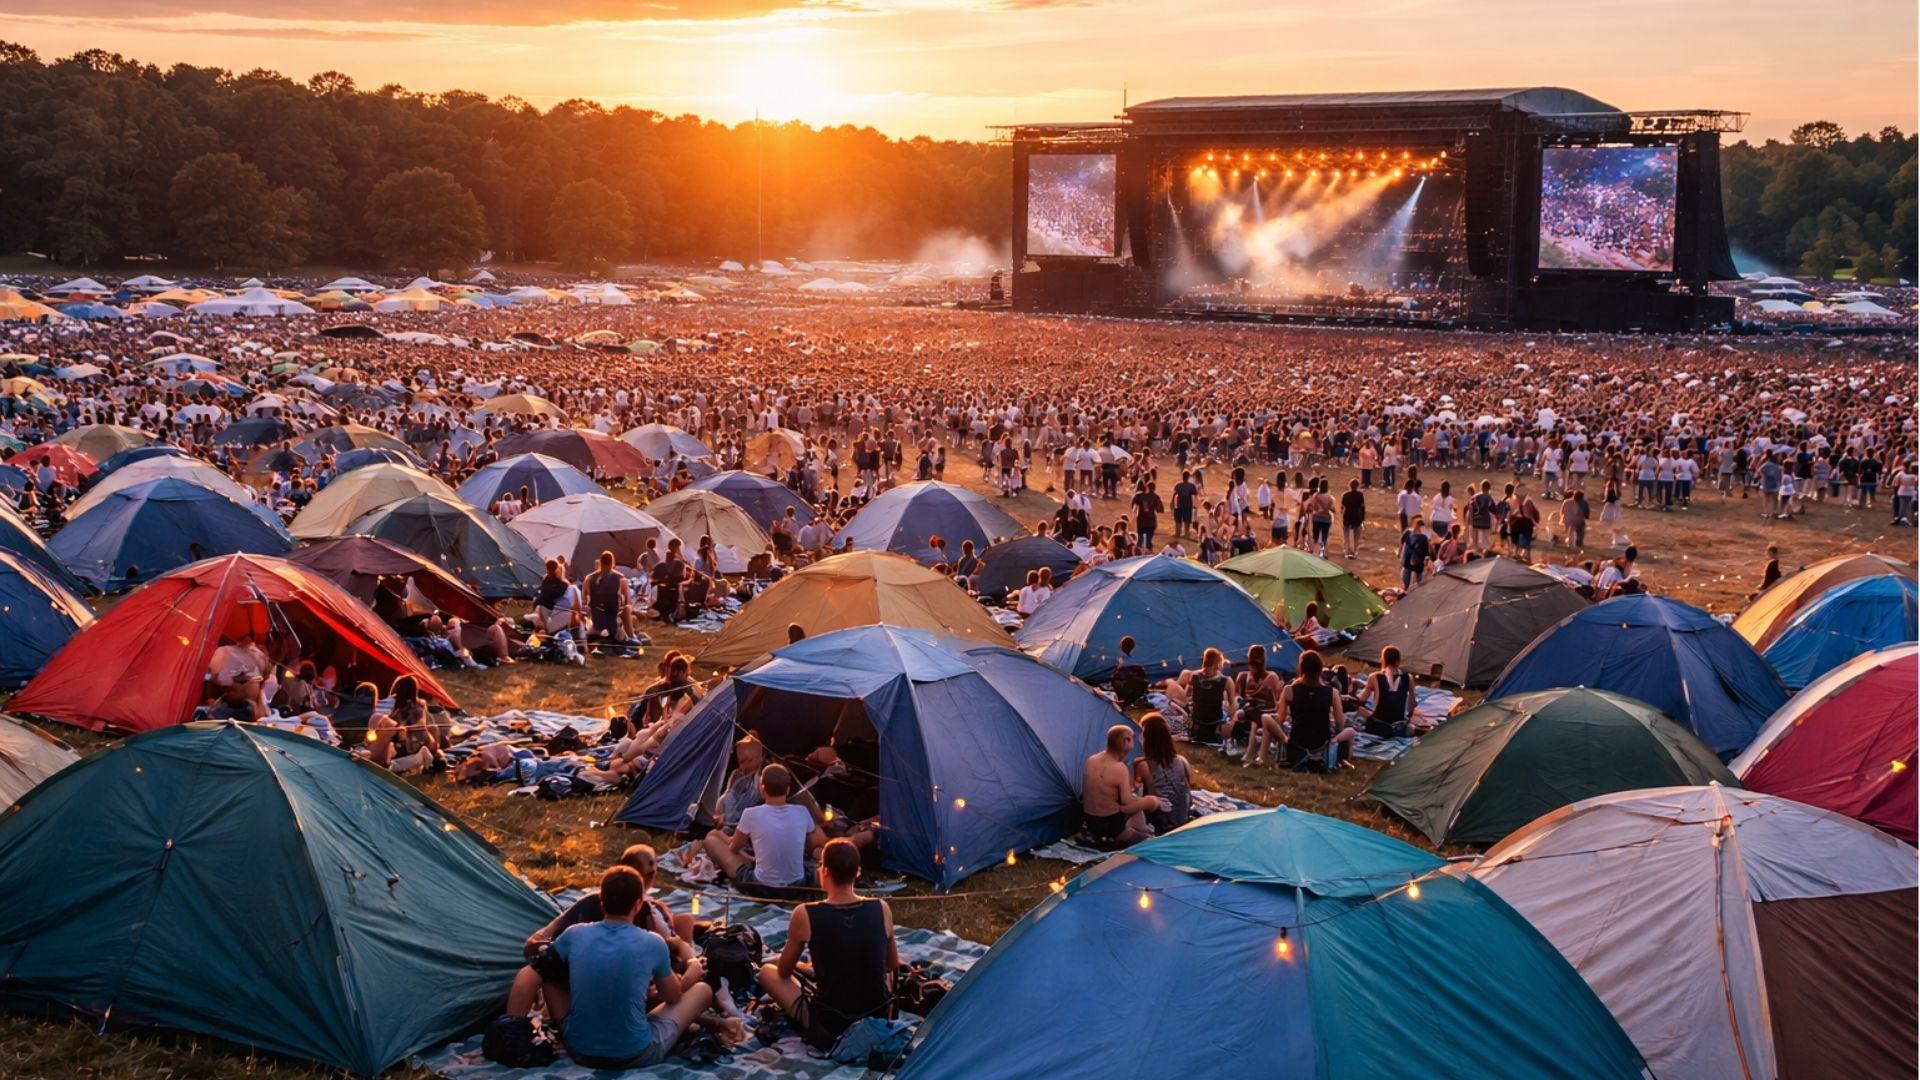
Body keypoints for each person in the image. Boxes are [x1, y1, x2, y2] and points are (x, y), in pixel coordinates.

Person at [514, 866, 715, 1070]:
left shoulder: (573, 935)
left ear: (602, 903)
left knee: (549, 976)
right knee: (702, 991)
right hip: (636, 1054)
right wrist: (693, 968)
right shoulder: (653, 943)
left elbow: (542, 965)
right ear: (638, 904)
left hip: (579, 1050)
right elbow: (673, 997)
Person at [757, 839, 899, 1052]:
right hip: (876, 1017)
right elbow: (892, 964)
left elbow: (784, 971)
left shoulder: (805, 913)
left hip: (831, 1027)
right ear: (857, 872)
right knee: (884, 974)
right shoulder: (882, 907)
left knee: (768, 972)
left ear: (825, 872)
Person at [707, 764, 825, 889]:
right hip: (797, 884)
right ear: (788, 790)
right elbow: (812, 844)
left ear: (762, 790)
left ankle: (753, 863)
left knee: (709, 840)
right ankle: (755, 862)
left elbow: (734, 848)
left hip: (761, 886)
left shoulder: (750, 813)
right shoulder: (802, 812)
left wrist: (718, 834)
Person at [1081, 725, 1163, 846]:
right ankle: (1137, 834)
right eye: (1132, 739)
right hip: (1110, 824)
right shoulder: (1120, 768)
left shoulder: (1092, 759)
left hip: (1089, 820)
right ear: (1126, 741)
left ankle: (1138, 830)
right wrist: (1152, 802)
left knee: (1136, 801)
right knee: (1151, 801)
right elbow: (1127, 802)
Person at [1280, 650, 1354, 768]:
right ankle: (1342, 760)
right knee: (1350, 730)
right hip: (1321, 743)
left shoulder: (1289, 690)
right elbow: (1340, 724)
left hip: (1297, 743)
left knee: (1271, 722)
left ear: (1301, 668)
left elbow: (1280, 720)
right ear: (1320, 669)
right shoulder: (1332, 693)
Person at [1132, 713, 1191, 835]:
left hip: (1162, 823)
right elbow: (1187, 793)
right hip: (1183, 818)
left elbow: (1151, 796)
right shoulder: (1182, 760)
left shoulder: (1144, 766)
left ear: (1147, 739)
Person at [1354, 646, 1427, 737]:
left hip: (1378, 722)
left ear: (1383, 659)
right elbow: (1412, 704)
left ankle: (1388, 729)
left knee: (1361, 710)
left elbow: (1361, 700)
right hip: (1399, 722)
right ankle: (1404, 729)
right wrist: (1408, 718)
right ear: (1398, 660)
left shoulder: (1374, 677)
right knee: (1402, 726)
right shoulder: (1408, 677)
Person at [1398, 514, 1431, 588]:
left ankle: (1407, 591)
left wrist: (1402, 558)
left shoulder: (1414, 536)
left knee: (1409, 581)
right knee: (1415, 581)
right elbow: (1426, 552)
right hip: (1415, 561)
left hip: (1412, 561)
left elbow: (1405, 548)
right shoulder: (1422, 537)